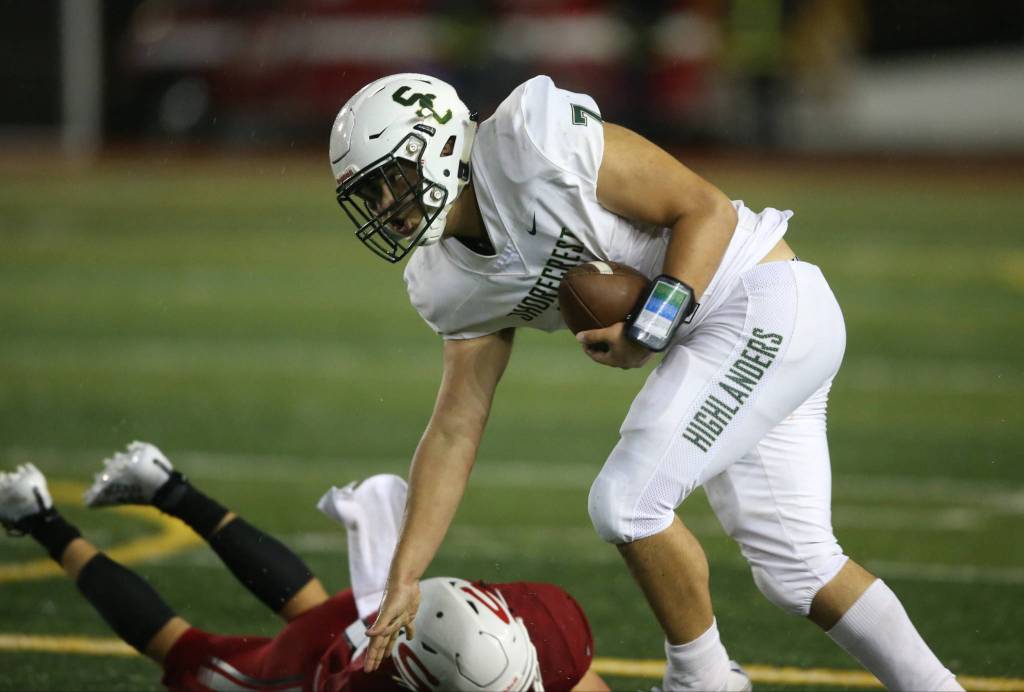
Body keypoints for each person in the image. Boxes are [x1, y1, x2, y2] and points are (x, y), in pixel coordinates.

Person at [328, 73, 964, 691]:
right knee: (799, 569)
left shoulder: (533, 140)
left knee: (627, 503)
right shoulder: (445, 281)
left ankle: (702, 678)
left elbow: (704, 207)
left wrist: (650, 330)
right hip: (738, 336)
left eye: (391, 181)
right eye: (370, 195)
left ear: (437, 144)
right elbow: (455, 426)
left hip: (760, 299)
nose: (386, 207)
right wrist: (404, 574)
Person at [0, 442, 608, 692]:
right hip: (330, 654)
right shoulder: (356, 682)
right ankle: (39, 516)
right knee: (193, 659)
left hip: (385, 612)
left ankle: (166, 485)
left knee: (320, 613)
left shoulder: (549, 621)